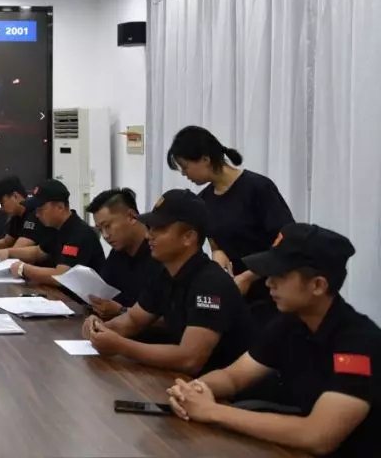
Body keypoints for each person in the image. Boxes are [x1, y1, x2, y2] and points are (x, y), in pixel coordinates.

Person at [168, 223, 380, 457]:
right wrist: (192, 392)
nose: (268, 282)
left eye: (280, 275)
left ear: (318, 285)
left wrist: (211, 411)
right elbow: (233, 377)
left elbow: (317, 435)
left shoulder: (359, 343)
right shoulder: (290, 323)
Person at [82, 189, 252, 376]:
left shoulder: (211, 284)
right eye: (150, 227)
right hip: (183, 381)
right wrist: (100, 328)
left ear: (188, 237)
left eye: (160, 228)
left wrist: (121, 346)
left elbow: (189, 359)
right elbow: (133, 320)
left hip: (219, 387)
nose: (149, 235)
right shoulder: (165, 273)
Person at [167, 126, 294, 324]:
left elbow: (286, 240)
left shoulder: (258, 188)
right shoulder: (203, 200)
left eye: (185, 166)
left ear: (205, 159)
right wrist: (218, 253)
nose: (184, 173)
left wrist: (248, 277)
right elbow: (215, 241)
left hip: (270, 291)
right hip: (234, 294)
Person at [6, 179, 105, 284]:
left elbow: (62, 276)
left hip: (84, 294)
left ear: (60, 207)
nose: (37, 215)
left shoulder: (79, 233)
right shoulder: (56, 228)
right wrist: (8, 252)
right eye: (35, 210)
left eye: (40, 209)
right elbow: (38, 252)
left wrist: (24, 269)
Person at [86, 187, 162, 320]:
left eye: (107, 226)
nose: (105, 235)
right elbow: (103, 293)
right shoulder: (117, 253)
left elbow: (169, 319)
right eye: (100, 229)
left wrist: (120, 311)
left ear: (131, 217)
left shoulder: (160, 252)